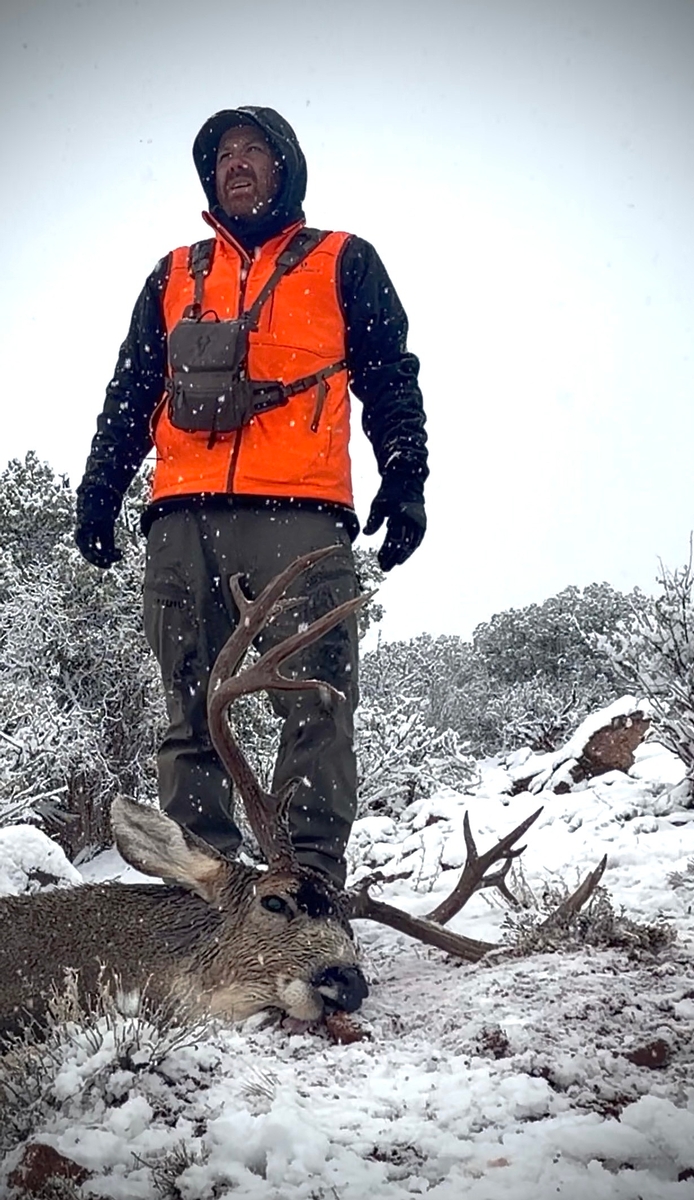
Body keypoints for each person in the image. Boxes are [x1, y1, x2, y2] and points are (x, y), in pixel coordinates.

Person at [75, 106, 428, 889]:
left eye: (253, 152)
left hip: (300, 518)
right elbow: (131, 394)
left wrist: (405, 479)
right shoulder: (173, 273)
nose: (236, 164)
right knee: (190, 712)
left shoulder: (343, 260)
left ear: (284, 167)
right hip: (182, 516)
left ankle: (306, 889)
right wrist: (99, 491)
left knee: (316, 701)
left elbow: (389, 379)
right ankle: (204, 893)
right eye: (223, 155)